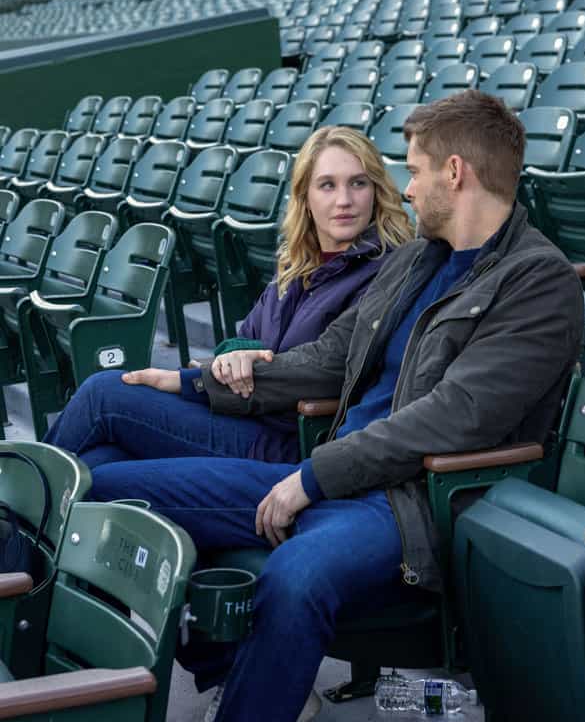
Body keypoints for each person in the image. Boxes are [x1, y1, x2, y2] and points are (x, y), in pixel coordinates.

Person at [90, 89, 585, 722]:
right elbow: (327, 359)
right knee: (101, 492)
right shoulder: (419, 259)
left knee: (294, 578)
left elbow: (452, 417)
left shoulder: (537, 283)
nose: (403, 189)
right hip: (334, 475)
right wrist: (194, 381)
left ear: (453, 172)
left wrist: (310, 479)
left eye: (411, 171)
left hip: (409, 505)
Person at [44, 126, 413, 470]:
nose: (344, 200)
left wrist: (198, 378)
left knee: (102, 394)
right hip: (239, 414)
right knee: (100, 460)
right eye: (327, 186)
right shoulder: (299, 264)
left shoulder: (386, 269)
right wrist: (233, 358)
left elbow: (323, 369)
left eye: (358, 184)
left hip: (284, 441)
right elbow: (242, 338)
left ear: (377, 191)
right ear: (306, 197)